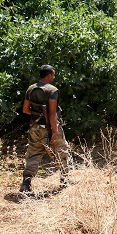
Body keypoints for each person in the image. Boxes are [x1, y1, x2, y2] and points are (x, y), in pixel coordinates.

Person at [19, 65, 73, 193]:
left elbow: (26, 110)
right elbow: (52, 113)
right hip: (49, 127)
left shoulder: (31, 89)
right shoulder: (52, 90)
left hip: (35, 127)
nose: (53, 77)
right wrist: (54, 130)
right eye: (53, 75)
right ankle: (65, 180)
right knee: (61, 151)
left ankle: (26, 184)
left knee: (33, 154)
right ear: (49, 75)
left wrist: (37, 115)